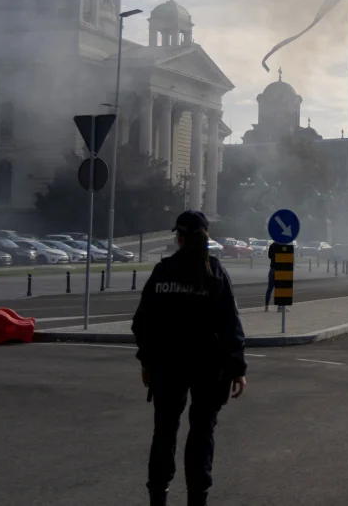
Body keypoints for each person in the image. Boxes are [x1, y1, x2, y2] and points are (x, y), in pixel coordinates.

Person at [133, 210, 248, 506]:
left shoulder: (163, 272)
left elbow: (142, 322)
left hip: (166, 366)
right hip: (209, 368)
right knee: (201, 434)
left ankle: (158, 496)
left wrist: (146, 361)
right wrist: (237, 368)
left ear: (179, 237)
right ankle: (198, 499)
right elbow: (230, 323)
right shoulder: (215, 272)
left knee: (164, 432)